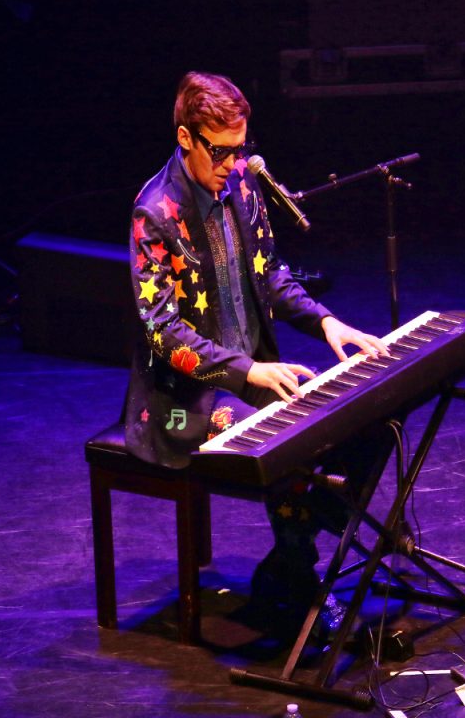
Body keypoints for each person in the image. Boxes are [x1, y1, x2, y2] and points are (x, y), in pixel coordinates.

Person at [124, 71, 389, 630]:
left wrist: (326, 322)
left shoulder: (243, 184)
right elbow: (160, 331)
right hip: (181, 400)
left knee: (367, 419)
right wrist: (246, 370)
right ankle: (301, 580)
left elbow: (270, 277)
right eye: (219, 151)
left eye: (240, 148)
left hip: (252, 374)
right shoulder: (154, 213)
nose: (232, 163)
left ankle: (287, 571)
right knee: (289, 446)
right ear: (185, 139)